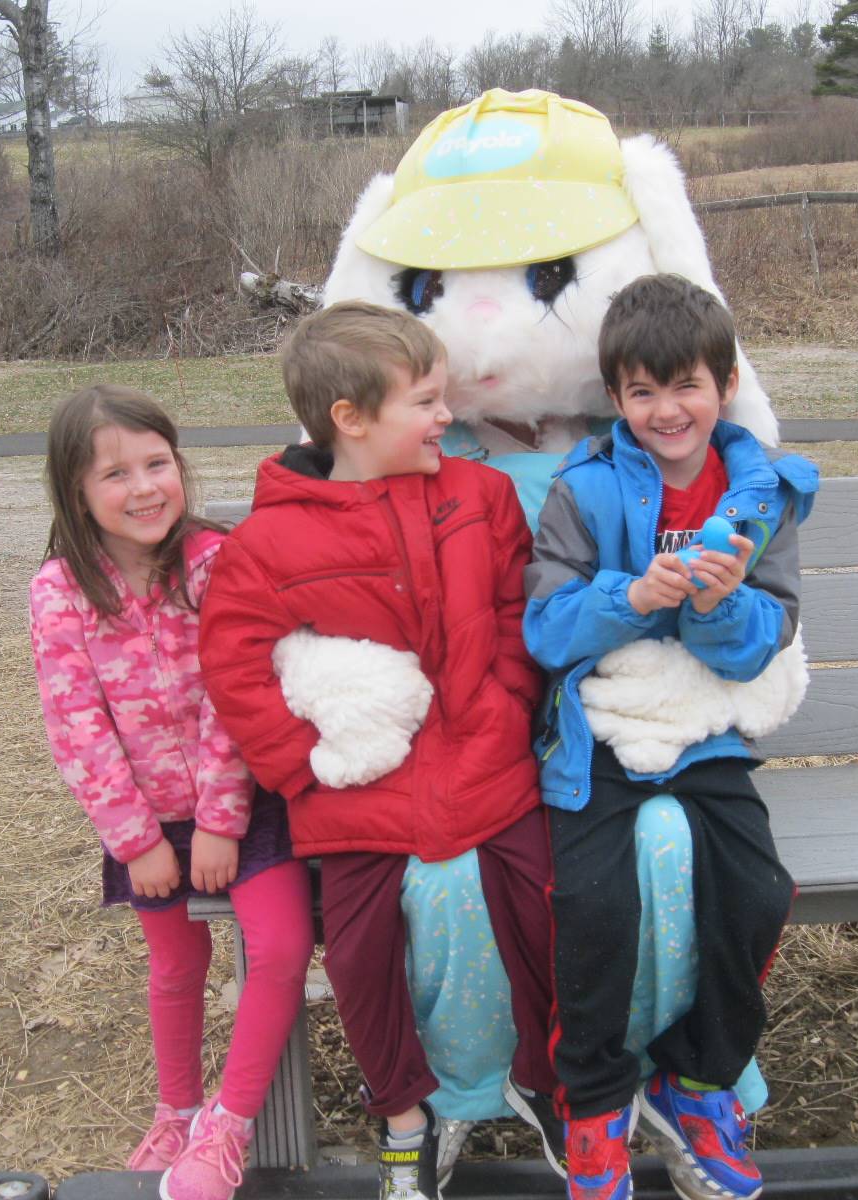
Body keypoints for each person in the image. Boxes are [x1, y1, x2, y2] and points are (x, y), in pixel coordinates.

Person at [199, 301, 562, 1200]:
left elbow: (519, 610)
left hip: (486, 761)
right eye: (427, 402)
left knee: (545, 908)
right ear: (350, 420)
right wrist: (299, 766)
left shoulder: (479, 498)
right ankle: (405, 1113)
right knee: (359, 953)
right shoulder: (271, 541)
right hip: (359, 792)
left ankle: (546, 1082)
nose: (449, 417)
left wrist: (511, 699)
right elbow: (233, 660)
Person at [523, 275, 818, 1200]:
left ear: (724, 385)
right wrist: (632, 596)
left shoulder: (761, 495)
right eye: (642, 392)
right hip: (602, 736)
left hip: (707, 734)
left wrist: (716, 610)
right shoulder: (586, 489)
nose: (666, 410)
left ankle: (697, 1083)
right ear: (615, 399)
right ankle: (598, 1104)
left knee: (761, 891)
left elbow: (769, 634)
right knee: (596, 907)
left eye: (685, 385)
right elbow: (546, 629)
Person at [29, 385, 314, 1200]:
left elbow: (240, 692)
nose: (145, 487)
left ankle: (227, 1126)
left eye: (158, 463)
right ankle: (177, 1110)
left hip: (246, 809)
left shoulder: (218, 561)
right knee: (175, 965)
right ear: (76, 493)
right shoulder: (60, 591)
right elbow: (75, 726)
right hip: (148, 822)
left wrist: (223, 820)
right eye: (116, 474)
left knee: (284, 946)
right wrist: (139, 841)